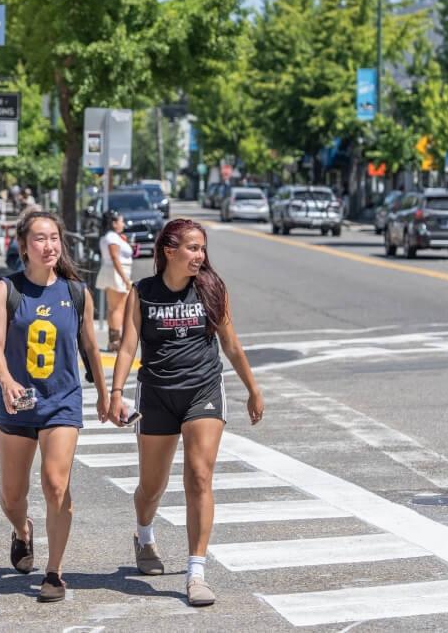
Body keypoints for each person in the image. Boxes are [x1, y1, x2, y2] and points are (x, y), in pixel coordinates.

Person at [106, 218, 264, 608]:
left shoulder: (211, 289)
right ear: (169, 250)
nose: (200, 256)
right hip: (156, 395)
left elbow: (232, 345)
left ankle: (196, 572)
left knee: (198, 476)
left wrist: (253, 389)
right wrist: (114, 393)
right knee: (151, 486)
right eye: (193, 248)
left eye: (203, 249)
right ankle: (144, 534)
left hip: (203, 391)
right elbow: (127, 348)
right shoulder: (142, 292)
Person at [0, 211, 109, 603]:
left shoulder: (76, 292)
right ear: (24, 246)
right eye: (40, 238)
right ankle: (23, 531)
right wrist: (6, 381)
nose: (49, 246)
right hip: (17, 403)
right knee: (11, 494)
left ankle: (54, 572)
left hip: (62, 401)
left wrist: (107, 394)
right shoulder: (7, 290)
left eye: (54, 237)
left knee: (56, 484)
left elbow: (90, 347)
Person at [95, 210, 134, 352]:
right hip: (117, 271)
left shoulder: (110, 236)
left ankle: (113, 340)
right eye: (120, 221)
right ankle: (116, 340)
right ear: (114, 223)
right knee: (118, 308)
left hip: (113, 271)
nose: (123, 224)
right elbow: (115, 257)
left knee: (113, 308)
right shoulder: (112, 237)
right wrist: (125, 279)